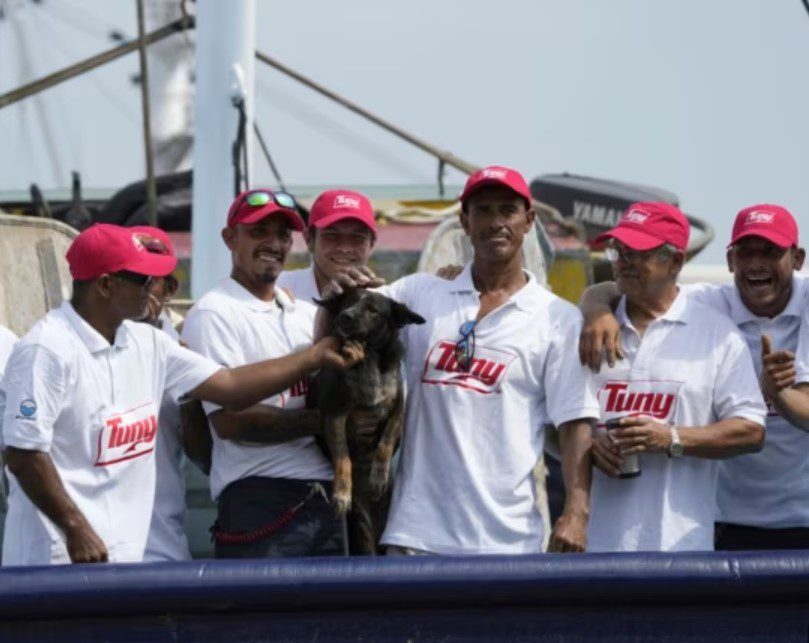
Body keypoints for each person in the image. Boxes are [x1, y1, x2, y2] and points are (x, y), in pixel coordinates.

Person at [1, 223, 359, 566]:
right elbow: (22, 454)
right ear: (106, 285)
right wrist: (75, 529)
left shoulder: (148, 342)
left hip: (130, 557)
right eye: (143, 278)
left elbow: (232, 386)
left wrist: (313, 356)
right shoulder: (46, 349)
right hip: (58, 560)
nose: (153, 288)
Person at [326, 166, 599, 554]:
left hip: (509, 542)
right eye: (483, 211)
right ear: (464, 222)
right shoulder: (421, 293)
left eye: (508, 210)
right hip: (415, 537)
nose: (496, 222)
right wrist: (338, 289)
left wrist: (576, 512)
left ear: (529, 221)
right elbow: (349, 311)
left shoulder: (557, 318)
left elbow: (574, 424)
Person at [580, 204, 809, 550]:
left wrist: (777, 395)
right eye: (746, 252)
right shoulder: (707, 305)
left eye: (770, 251)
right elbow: (629, 288)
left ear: (797, 259)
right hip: (723, 518)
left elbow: (770, 425)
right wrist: (597, 310)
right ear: (730, 261)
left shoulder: (729, 325)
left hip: (802, 514)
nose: (756, 263)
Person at [181, 189, 347, 558]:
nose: (273, 243)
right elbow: (232, 422)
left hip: (326, 501)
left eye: (283, 235)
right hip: (260, 500)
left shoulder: (303, 313)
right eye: (259, 232)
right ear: (229, 238)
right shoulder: (215, 313)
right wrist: (327, 423)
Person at [277, 189, 376, 303]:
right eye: (332, 235)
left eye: (357, 237)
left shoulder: (387, 303)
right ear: (309, 240)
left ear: (372, 244)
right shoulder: (277, 289)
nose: (344, 248)